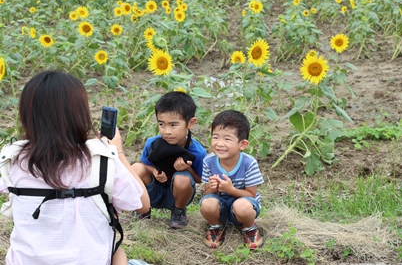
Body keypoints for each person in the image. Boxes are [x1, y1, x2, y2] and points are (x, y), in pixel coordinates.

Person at [0, 70, 150, 265]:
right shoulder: (101, 159)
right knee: (122, 256)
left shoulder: (12, 159)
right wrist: (117, 152)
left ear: (27, 115)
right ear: (80, 114)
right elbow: (143, 204)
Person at [132, 90, 207, 229]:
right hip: (153, 191)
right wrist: (154, 171)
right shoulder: (153, 143)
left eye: (173, 125)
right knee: (136, 168)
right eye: (161, 124)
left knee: (182, 178)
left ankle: (178, 212)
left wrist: (187, 169)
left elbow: (200, 179)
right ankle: (142, 208)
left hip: (177, 195)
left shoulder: (198, 151)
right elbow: (144, 163)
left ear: (190, 123)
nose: (166, 131)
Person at [199, 110, 264, 249]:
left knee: (243, 207)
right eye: (215, 137)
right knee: (207, 203)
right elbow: (208, 194)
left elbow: (251, 195)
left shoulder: (249, 163)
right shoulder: (209, 161)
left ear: (242, 144)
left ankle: (248, 227)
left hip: (244, 206)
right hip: (221, 206)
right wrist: (214, 188)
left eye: (227, 139)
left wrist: (231, 190)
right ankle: (216, 226)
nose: (219, 144)